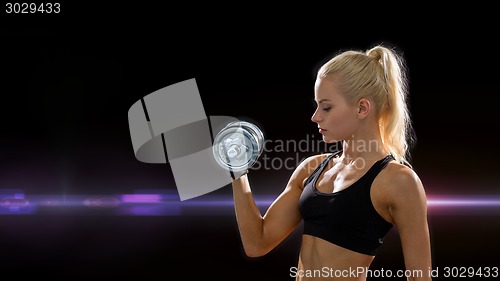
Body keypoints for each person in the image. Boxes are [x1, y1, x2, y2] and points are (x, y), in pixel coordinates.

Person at [231, 44, 432, 280]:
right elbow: (257, 243)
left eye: (326, 107)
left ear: (362, 107)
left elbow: (420, 276)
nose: (315, 116)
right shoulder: (311, 169)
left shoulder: (398, 181)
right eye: (317, 105)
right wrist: (237, 170)